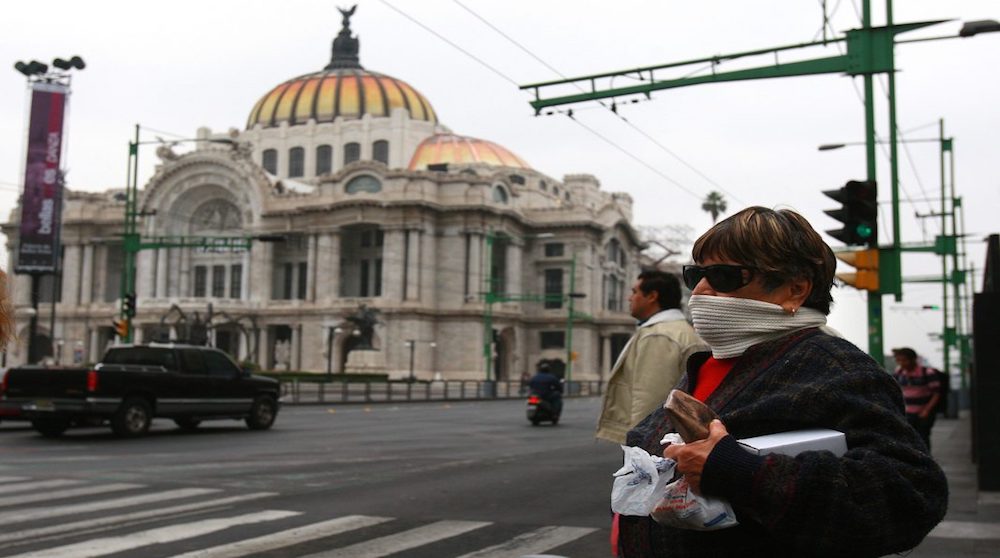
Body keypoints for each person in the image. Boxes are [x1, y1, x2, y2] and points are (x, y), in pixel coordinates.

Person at [617, 207, 947, 557]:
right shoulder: (707, 363)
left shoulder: (836, 368)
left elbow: (909, 499)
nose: (700, 290)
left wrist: (741, 470)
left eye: (724, 276)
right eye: (695, 274)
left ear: (795, 290)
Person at [596, 270, 706, 443]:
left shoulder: (659, 335)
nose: (629, 298)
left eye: (634, 292)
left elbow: (649, 399)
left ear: (652, 296)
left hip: (655, 441)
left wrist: (639, 443)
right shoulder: (677, 330)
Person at [892, 347, 941, 451]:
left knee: (923, 438)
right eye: (899, 360)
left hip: (923, 413)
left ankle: (926, 461)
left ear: (913, 359)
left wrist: (927, 410)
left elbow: (936, 393)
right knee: (908, 439)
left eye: (904, 360)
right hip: (906, 413)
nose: (902, 363)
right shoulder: (899, 374)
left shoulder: (927, 373)